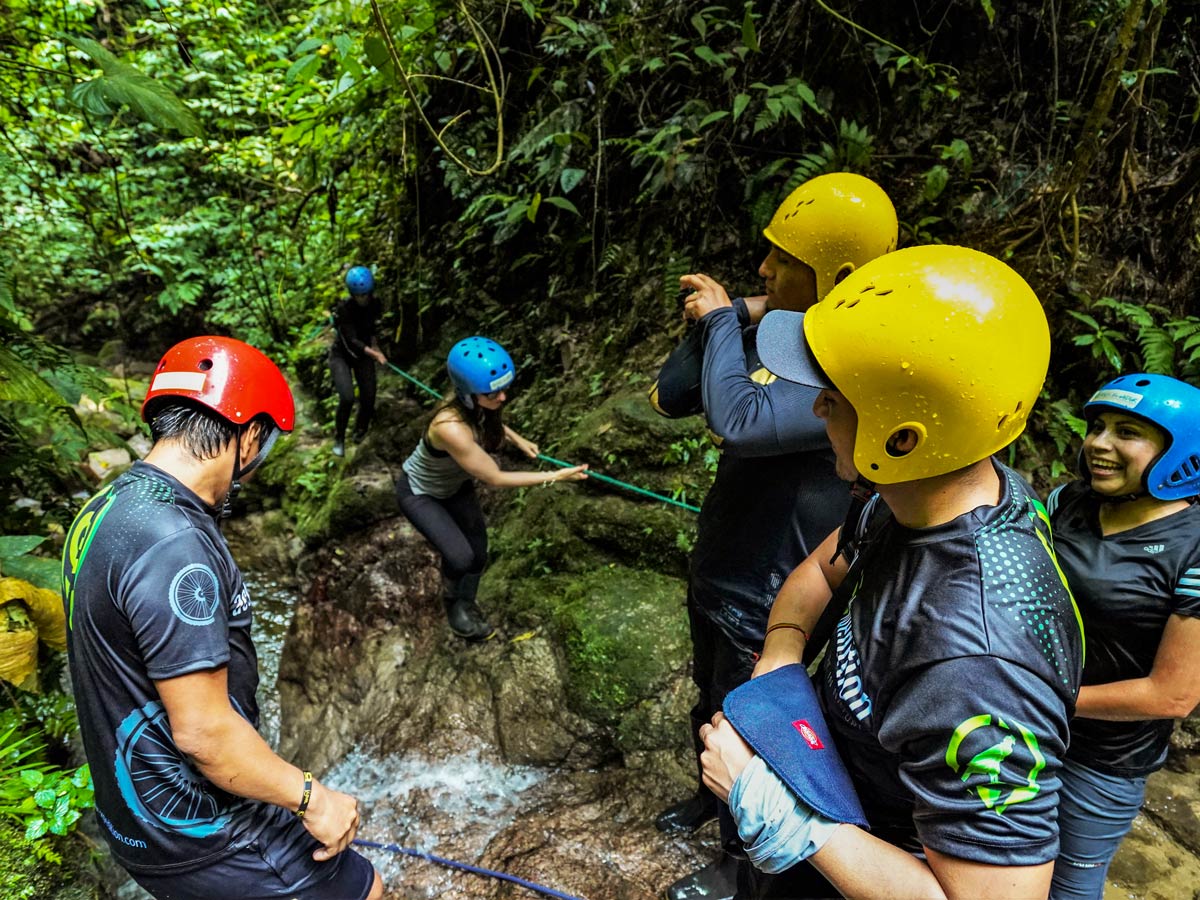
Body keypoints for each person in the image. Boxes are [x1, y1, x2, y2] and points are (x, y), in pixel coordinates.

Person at [699, 245, 1084, 899]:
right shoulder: (919, 494)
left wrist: (775, 811)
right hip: (837, 806)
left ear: (904, 434)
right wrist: (782, 659)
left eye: (837, 394)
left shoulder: (977, 659)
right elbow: (823, 570)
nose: (818, 407)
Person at [61, 337, 383, 900]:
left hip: (135, 820)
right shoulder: (175, 542)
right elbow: (205, 733)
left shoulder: (106, 507)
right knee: (366, 888)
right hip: (202, 828)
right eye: (265, 445)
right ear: (249, 433)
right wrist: (313, 797)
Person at [650, 172, 897, 900]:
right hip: (726, 557)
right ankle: (709, 796)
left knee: (750, 725)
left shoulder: (848, 360)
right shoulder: (792, 330)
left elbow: (741, 420)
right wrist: (735, 317)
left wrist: (728, 317)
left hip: (772, 581)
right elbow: (673, 397)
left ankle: (739, 863)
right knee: (711, 698)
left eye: (781, 259)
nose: (762, 269)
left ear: (837, 276)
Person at [1046, 373, 1200, 899]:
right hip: (1018, 726)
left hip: (1101, 761)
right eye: (1097, 426)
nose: (1099, 444)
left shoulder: (1194, 547)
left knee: (1069, 886)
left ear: (1180, 453)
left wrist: (1040, 700)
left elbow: (1174, 694)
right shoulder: (1067, 501)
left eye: (1127, 432)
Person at [396, 335, 587, 641]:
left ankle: (467, 603)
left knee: (479, 553)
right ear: (469, 394)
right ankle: (453, 607)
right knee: (460, 557)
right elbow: (495, 478)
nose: (502, 399)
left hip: (454, 488)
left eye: (503, 390)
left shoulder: (474, 402)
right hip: (421, 493)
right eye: (493, 394)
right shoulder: (449, 428)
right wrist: (556, 476)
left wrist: (518, 439)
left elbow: (486, 417)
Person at [330, 264, 386, 457]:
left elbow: (373, 329)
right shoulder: (344, 309)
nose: (362, 299)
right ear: (352, 294)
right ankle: (339, 437)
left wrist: (376, 346)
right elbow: (352, 341)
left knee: (369, 396)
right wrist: (375, 354)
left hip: (363, 355)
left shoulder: (375, 304)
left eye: (365, 294)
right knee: (347, 397)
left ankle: (360, 430)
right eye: (358, 295)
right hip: (342, 355)